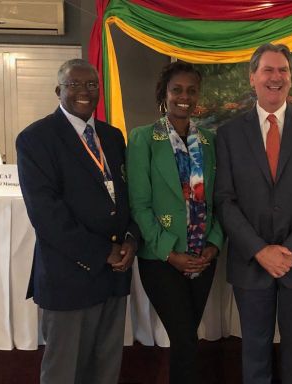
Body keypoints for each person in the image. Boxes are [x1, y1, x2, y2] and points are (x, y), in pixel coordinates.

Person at [214, 43, 292, 384]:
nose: (276, 77)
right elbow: (224, 199)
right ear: (252, 77)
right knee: (254, 351)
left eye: (283, 70)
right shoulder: (228, 134)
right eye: (268, 70)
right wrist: (260, 250)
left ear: (291, 79)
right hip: (251, 262)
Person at [16, 58, 139, 384]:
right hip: (69, 275)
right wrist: (101, 253)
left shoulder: (113, 138)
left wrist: (130, 239)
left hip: (114, 276)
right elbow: (46, 214)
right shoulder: (35, 139)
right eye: (75, 84)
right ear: (58, 90)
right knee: (63, 371)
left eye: (92, 85)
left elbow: (125, 198)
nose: (85, 91)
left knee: (105, 366)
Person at [126, 61, 223, 384]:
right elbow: (140, 205)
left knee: (187, 339)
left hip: (202, 257)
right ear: (164, 94)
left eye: (191, 90)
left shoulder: (210, 141)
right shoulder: (143, 139)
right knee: (185, 338)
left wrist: (214, 244)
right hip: (161, 258)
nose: (185, 96)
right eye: (177, 90)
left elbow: (219, 200)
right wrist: (170, 252)